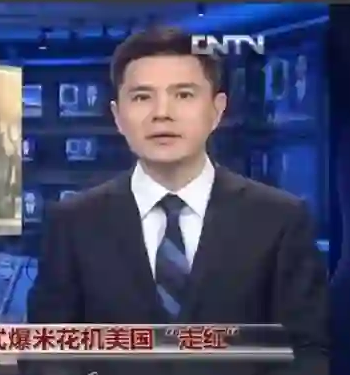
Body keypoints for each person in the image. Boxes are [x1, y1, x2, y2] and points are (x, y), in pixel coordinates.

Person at [25, 28, 328, 375]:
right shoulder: (74, 222)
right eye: (142, 97)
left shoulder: (279, 219)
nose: (162, 113)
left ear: (217, 110)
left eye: (183, 95)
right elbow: (46, 352)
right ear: (118, 116)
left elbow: (309, 351)